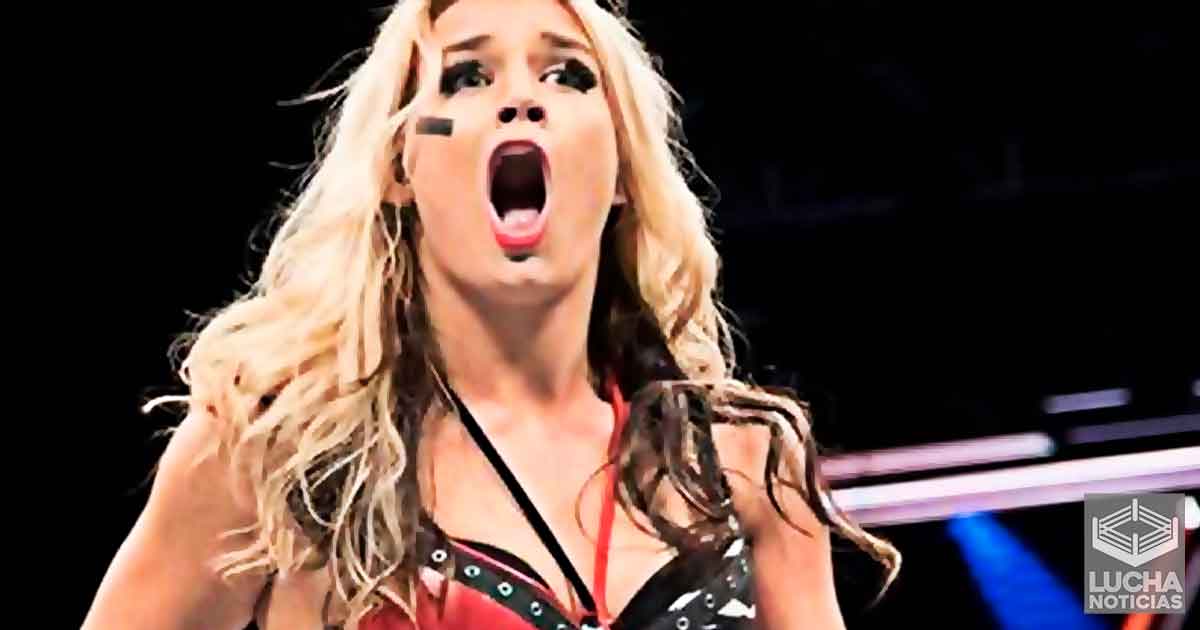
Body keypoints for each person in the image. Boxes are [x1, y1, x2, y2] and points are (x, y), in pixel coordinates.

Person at [83, 0, 900, 628]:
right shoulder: (277, 448)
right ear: (399, 165)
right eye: (467, 76)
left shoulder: (740, 464)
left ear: (622, 168)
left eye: (567, 76)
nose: (520, 98)